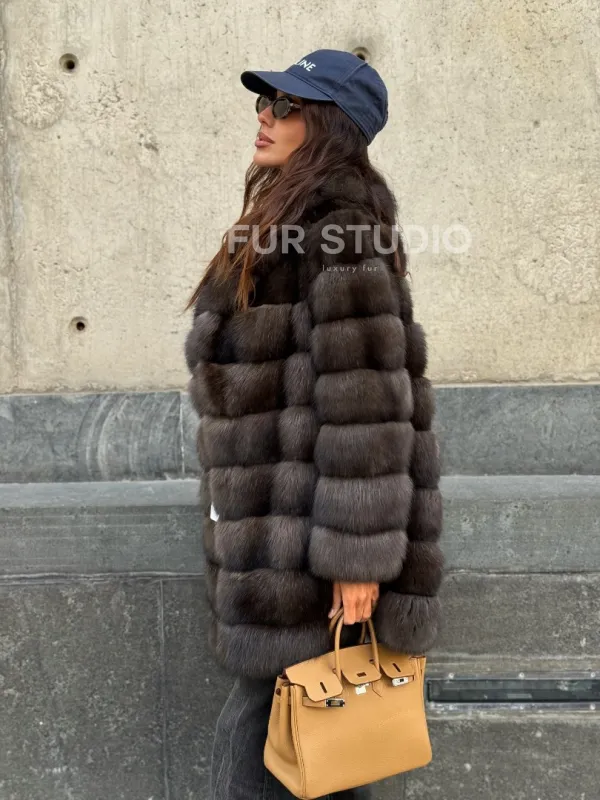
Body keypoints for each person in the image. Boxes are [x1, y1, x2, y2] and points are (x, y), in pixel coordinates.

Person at [183, 48, 445, 800]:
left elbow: (367, 402)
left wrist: (356, 558)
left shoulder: (340, 226)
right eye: (264, 102)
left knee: (282, 747)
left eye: (286, 106)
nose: (264, 116)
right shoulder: (288, 223)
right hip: (278, 538)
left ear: (330, 124)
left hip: (312, 550)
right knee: (304, 753)